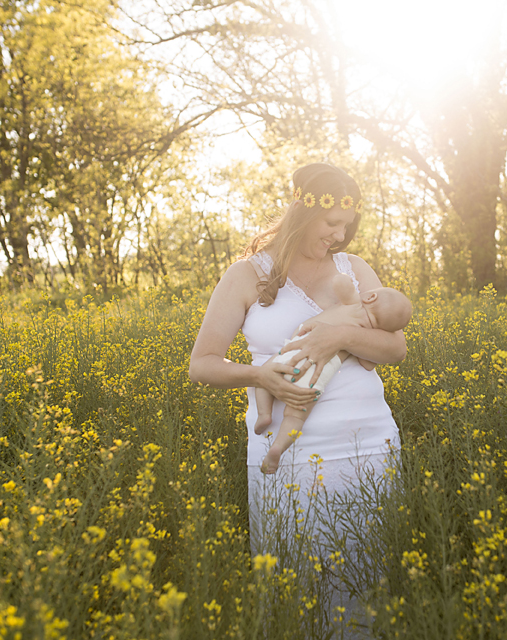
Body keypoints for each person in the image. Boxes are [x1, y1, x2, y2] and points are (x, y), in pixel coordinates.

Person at [187, 162, 407, 636]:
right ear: (303, 211)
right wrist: (258, 374)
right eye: (332, 224)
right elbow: (202, 362)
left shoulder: (355, 269)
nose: (339, 236)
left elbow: (395, 346)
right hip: (284, 454)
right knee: (292, 585)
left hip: (366, 444)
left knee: (369, 581)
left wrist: (337, 336)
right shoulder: (247, 274)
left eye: (346, 227)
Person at [254, 272, 412, 474]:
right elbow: (368, 364)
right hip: (318, 375)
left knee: (263, 376)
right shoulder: (366, 335)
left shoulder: (354, 304)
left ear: (370, 297)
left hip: (296, 351)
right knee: (295, 417)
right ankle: (277, 448)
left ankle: (264, 415)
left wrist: (347, 280)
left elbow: (340, 282)